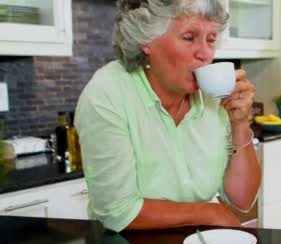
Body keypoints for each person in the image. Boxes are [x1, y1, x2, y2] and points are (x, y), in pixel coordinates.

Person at [75, 0, 261, 232]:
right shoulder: (107, 93)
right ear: (147, 41)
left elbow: (242, 200)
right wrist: (207, 212)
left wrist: (240, 123)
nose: (204, 54)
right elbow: (117, 211)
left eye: (211, 39)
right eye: (189, 37)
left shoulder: (214, 97)